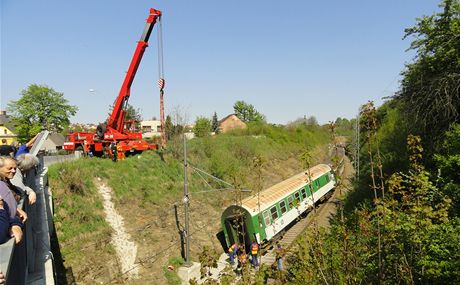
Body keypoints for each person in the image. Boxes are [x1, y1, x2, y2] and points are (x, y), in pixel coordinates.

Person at [0, 157, 25, 244]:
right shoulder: (2, 186)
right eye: (9, 168)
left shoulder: (5, 182)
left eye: (15, 168)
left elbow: (10, 212)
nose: (14, 171)